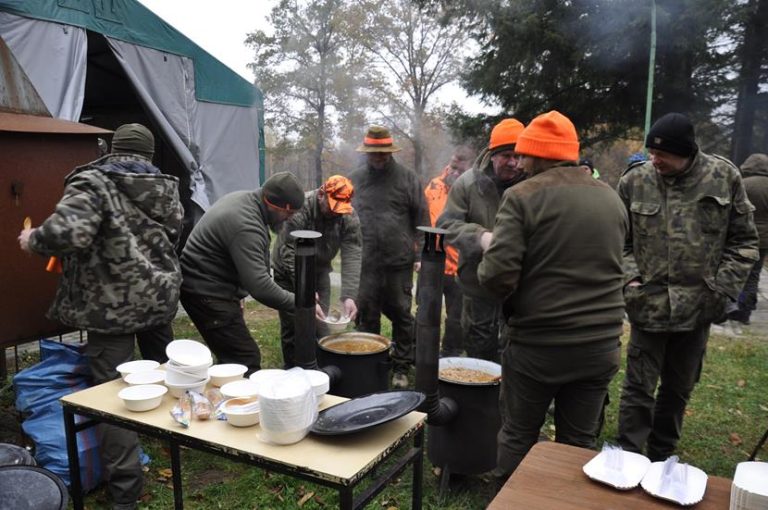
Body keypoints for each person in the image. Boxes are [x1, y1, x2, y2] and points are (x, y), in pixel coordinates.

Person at [18, 123, 183, 510]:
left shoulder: (93, 181)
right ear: (149, 154)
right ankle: (180, 436)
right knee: (167, 372)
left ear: (111, 148)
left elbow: (67, 234)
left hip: (112, 309)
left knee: (115, 394)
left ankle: (125, 493)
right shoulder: (164, 188)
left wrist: (33, 239)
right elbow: (171, 235)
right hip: (157, 297)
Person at [477, 110, 628, 480]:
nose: (520, 162)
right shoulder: (610, 198)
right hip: (601, 346)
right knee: (578, 442)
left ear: (539, 154)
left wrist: (488, 255)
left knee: (517, 435)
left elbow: (497, 278)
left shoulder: (522, 197)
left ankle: (510, 504)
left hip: (540, 347)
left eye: (525, 154)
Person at [616, 112, 759, 461]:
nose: (655, 159)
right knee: (638, 386)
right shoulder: (635, 181)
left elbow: (744, 242)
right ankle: (629, 454)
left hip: (698, 308)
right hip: (647, 304)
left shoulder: (724, 177)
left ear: (688, 152)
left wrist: (721, 289)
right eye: (651, 152)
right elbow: (616, 239)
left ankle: (662, 453)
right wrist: (630, 278)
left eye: (663, 154)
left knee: (679, 388)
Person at [179, 171, 307, 376]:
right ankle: (236, 404)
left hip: (211, 287)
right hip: (206, 293)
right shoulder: (246, 225)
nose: (289, 219)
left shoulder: (247, 200)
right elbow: (260, 287)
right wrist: (302, 303)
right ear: (274, 205)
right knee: (244, 359)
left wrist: (237, 294)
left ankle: (220, 390)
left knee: (231, 357)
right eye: (288, 214)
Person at [437, 118, 526, 362]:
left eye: (519, 156)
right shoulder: (468, 184)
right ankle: (481, 395)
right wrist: (481, 237)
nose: (513, 162)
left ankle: (508, 396)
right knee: (478, 343)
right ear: (492, 154)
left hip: (521, 285)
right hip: (477, 282)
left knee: (516, 346)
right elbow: (445, 225)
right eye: (507, 155)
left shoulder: (532, 184)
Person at [348, 126, 429, 389]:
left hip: (399, 261)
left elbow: (422, 218)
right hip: (365, 262)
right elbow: (346, 218)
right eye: (374, 153)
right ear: (367, 153)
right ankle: (369, 364)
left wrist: (420, 254)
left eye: (383, 153)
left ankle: (401, 367)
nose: (379, 158)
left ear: (390, 152)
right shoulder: (355, 179)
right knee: (366, 316)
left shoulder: (408, 179)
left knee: (402, 314)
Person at [272, 175, 362, 368]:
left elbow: (353, 253)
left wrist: (349, 296)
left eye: (340, 209)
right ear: (321, 194)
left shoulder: (348, 214)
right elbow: (288, 250)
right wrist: (305, 290)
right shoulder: (301, 208)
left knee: (321, 322)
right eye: (332, 207)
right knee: (294, 323)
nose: (336, 213)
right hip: (289, 270)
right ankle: (292, 369)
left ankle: (318, 367)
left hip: (319, 270)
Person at [424, 145, 474, 357]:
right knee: (426, 310)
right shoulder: (433, 186)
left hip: (459, 266)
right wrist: (419, 254)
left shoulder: (472, 191)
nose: (455, 173)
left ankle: (450, 355)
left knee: (456, 317)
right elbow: (422, 219)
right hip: (432, 261)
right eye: (453, 167)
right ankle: (424, 351)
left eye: (461, 171)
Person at [728, 153, 768, 327]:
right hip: (764, 239)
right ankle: (745, 311)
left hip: (741, 235)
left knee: (736, 271)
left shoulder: (743, 184)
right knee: (753, 275)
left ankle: (732, 307)